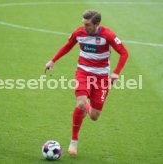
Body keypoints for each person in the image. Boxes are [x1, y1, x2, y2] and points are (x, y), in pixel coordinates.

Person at [45, 10, 129, 155]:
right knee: (81, 103)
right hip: (83, 73)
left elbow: (124, 53)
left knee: (94, 116)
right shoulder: (79, 33)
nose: (84, 27)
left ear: (97, 24)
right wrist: (52, 60)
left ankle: (86, 108)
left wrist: (116, 73)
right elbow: (68, 46)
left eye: (88, 24)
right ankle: (73, 142)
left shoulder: (108, 35)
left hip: (102, 78)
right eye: (83, 23)